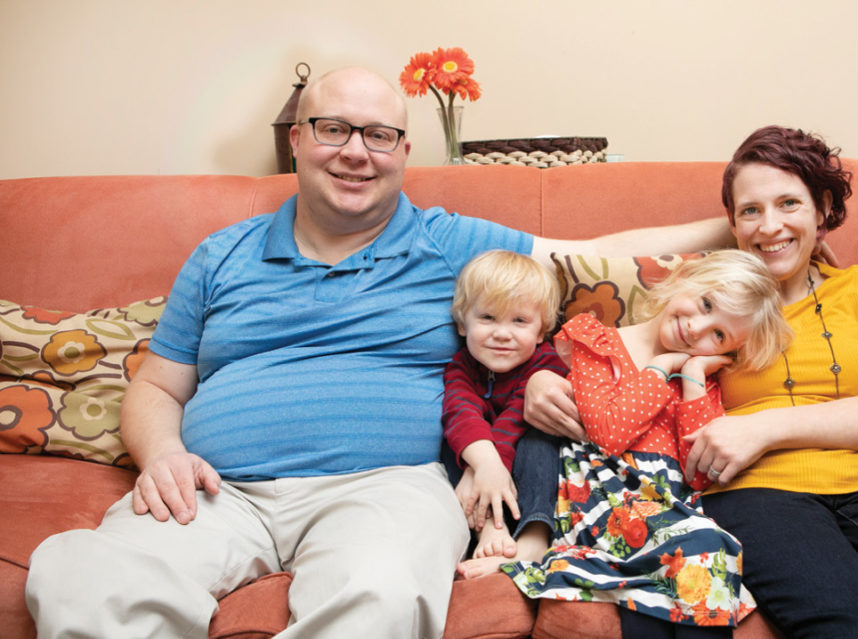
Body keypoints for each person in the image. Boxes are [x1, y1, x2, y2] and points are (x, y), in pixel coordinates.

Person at [23, 67, 740, 639]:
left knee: (383, 593)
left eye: (378, 134)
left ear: (403, 151)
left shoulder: (448, 240)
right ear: (298, 140)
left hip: (387, 486)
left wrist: (749, 222)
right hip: (217, 492)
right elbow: (155, 387)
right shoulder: (221, 255)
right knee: (79, 578)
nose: (356, 151)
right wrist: (162, 455)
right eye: (335, 128)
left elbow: (592, 256)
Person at [526, 125, 858, 638]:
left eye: (789, 203)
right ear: (732, 224)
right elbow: (620, 342)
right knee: (852, 629)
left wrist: (763, 428)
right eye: (751, 211)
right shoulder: (714, 296)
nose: (770, 227)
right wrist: (540, 374)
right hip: (756, 490)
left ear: (823, 208)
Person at [504, 250, 793, 637]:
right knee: (705, 546)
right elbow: (609, 433)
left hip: (666, 506)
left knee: (689, 563)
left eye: (719, 335)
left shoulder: (700, 383)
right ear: (684, 278)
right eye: (705, 304)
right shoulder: (595, 339)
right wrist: (660, 368)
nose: (697, 329)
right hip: (601, 494)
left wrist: (691, 376)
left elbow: (700, 474)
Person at [441, 249, 566, 579]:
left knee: (540, 438)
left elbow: (514, 419)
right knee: (452, 440)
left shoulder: (546, 364)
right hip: (488, 471)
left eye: (520, 321)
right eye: (488, 318)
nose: (502, 333)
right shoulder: (461, 367)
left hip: (528, 471)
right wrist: (479, 465)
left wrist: (486, 468)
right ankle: (488, 534)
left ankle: (533, 540)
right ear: (462, 324)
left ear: (541, 333)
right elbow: (460, 411)